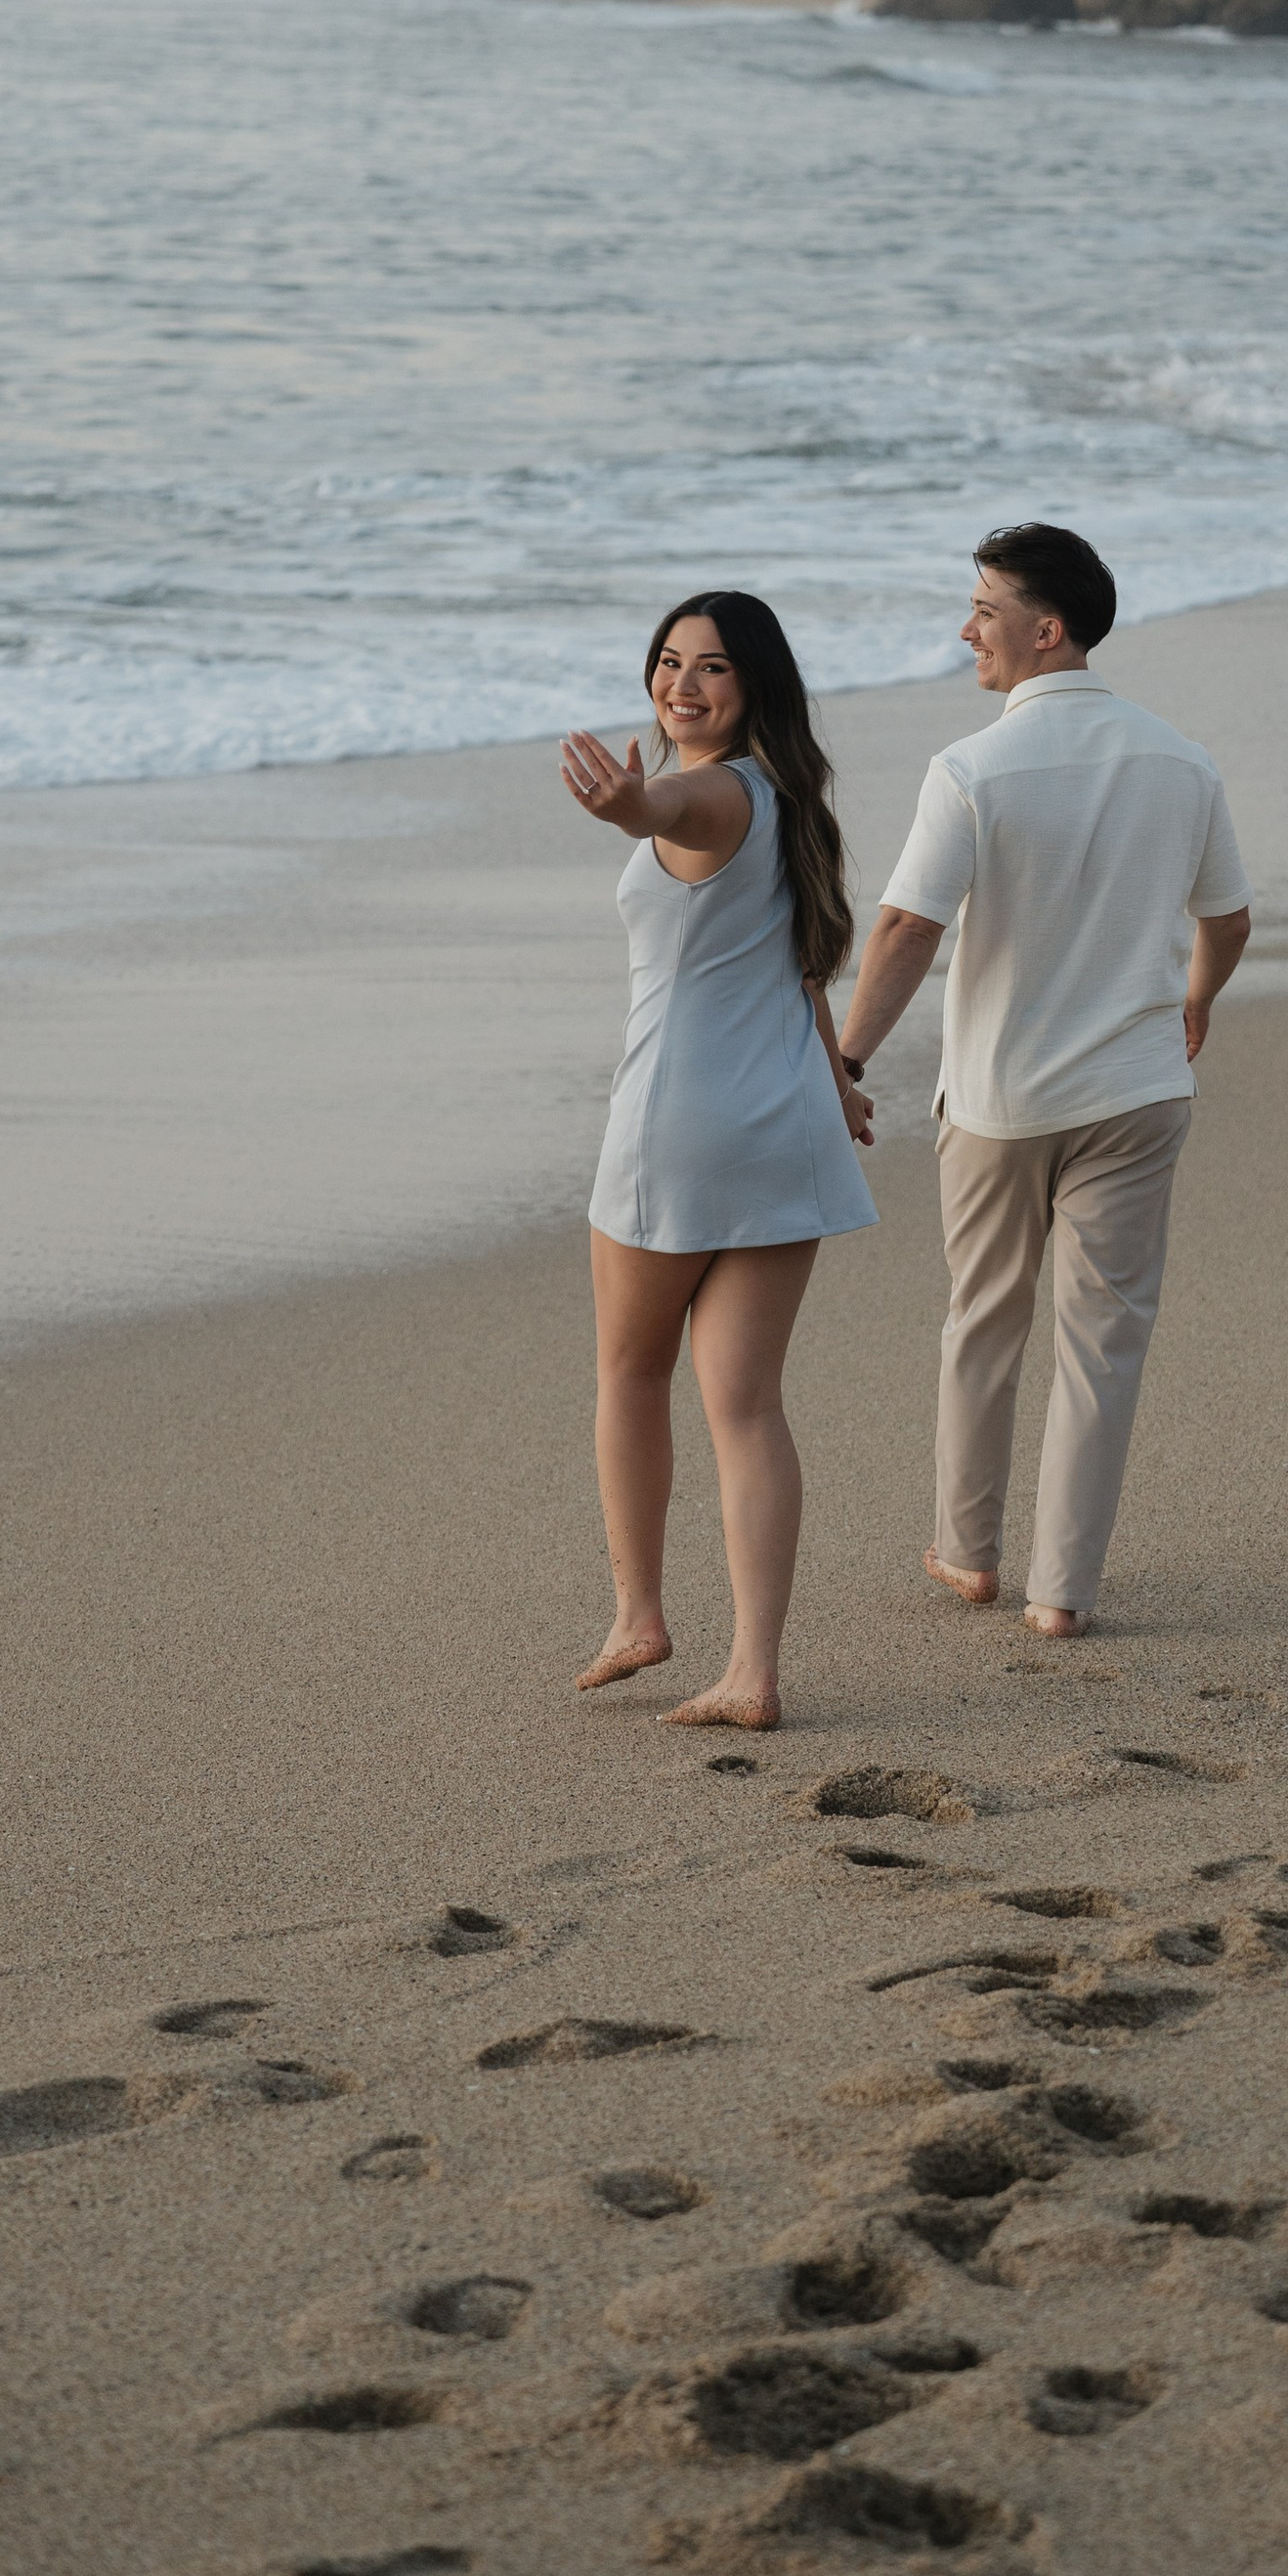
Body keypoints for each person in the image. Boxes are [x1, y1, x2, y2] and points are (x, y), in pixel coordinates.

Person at [837, 523, 1251, 1639]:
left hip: (1001, 1098)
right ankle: (1061, 1593)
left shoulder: (972, 768)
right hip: (1137, 1085)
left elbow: (907, 925)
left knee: (983, 1319)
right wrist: (1197, 996)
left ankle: (968, 1555)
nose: (965, 627)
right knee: (1102, 1341)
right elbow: (1228, 914)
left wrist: (846, 1058)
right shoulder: (1179, 758)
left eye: (983, 607)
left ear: (1045, 627)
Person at [560, 589, 876, 1729]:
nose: (681, 685)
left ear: (754, 690)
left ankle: (639, 1612)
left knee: (631, 1373)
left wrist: (625, 803)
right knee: (746, 1407)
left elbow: (668, 804)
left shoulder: (710, 792)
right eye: (668, 661)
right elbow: (800, 960)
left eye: (712, 671)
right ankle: (753, 1671)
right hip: (783, 1121)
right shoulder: (789, 797)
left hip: (677, 1127)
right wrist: (836, 1074)